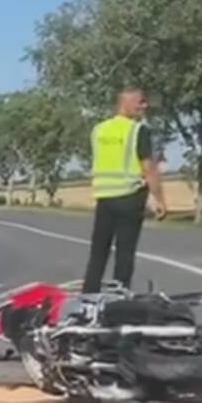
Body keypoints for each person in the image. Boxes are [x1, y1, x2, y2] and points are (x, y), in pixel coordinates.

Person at [82, 88, 168, 294]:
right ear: (125, 103)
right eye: (140, 102)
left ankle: (88, 296)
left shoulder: (98, 130)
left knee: (98, 252)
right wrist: (160, 199)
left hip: (104, 197)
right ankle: (118, 297)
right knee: (125, 252)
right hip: (129, 197)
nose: (144, 106)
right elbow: (148, 167)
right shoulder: (138, 130)